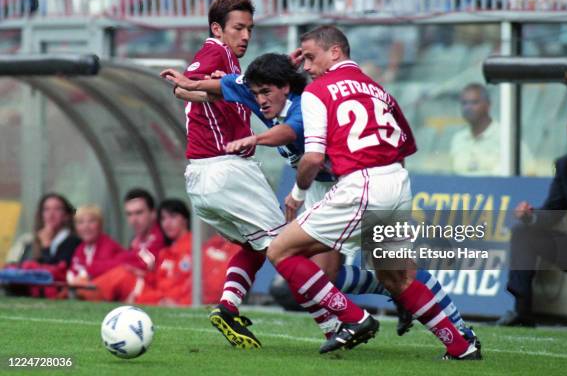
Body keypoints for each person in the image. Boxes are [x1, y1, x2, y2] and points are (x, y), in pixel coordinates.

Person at [164, 52, 480, 342]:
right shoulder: (258, 91)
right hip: (321, 186)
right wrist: (186, 85)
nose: (259, 100)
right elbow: (222, 86)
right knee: (323, 273)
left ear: (285, 87)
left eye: (265, 92)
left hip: (347, 185)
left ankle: (459, 330)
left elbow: (289, 133)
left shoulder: (305, 105)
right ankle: (390, 298)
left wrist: (256, 139)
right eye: (256, 92)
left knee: (396, 268)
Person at [264, 25, 481, 359]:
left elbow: (313, 157)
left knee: (281, 250)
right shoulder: (378, 90)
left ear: (334, 52)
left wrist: (296, 194)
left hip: (360, 183)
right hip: (396, 181)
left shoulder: (317, 91)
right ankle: (462, 346)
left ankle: (355, 319)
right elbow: (404, 147)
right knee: (396, 277)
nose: (306, 66)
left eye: (310, 57)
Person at [166, 0, 287, 349]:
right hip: (226, 169)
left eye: (250, 28)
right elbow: (182, 86)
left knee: (257, 246)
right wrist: (214, 92)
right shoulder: (216, 52)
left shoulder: (233, 64)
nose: (245, 35)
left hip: (211, 174)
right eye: (238, 27)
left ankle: (228, 308)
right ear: (218, 29)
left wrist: (228, 91)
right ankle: (339, 320)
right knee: (285, 247)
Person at [498, 103, 567, 332]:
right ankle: (522, 312)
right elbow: (552, 212)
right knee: (523, 231)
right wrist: (530, 216)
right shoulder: (565, 166)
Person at [450, 82, 535, 175]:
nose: (468, 108)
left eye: (474, 102)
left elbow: (530, 173)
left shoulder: (506, 137)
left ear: (488, 105)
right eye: (464, 103)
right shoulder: (458, 139)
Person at [66, 205, 124, 286]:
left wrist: (85, 274)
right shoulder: (80, 248)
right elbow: (74, 271)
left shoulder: (109, 246)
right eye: (80, 222)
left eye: (91, 221)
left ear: (100, 224)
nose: (86, 227)